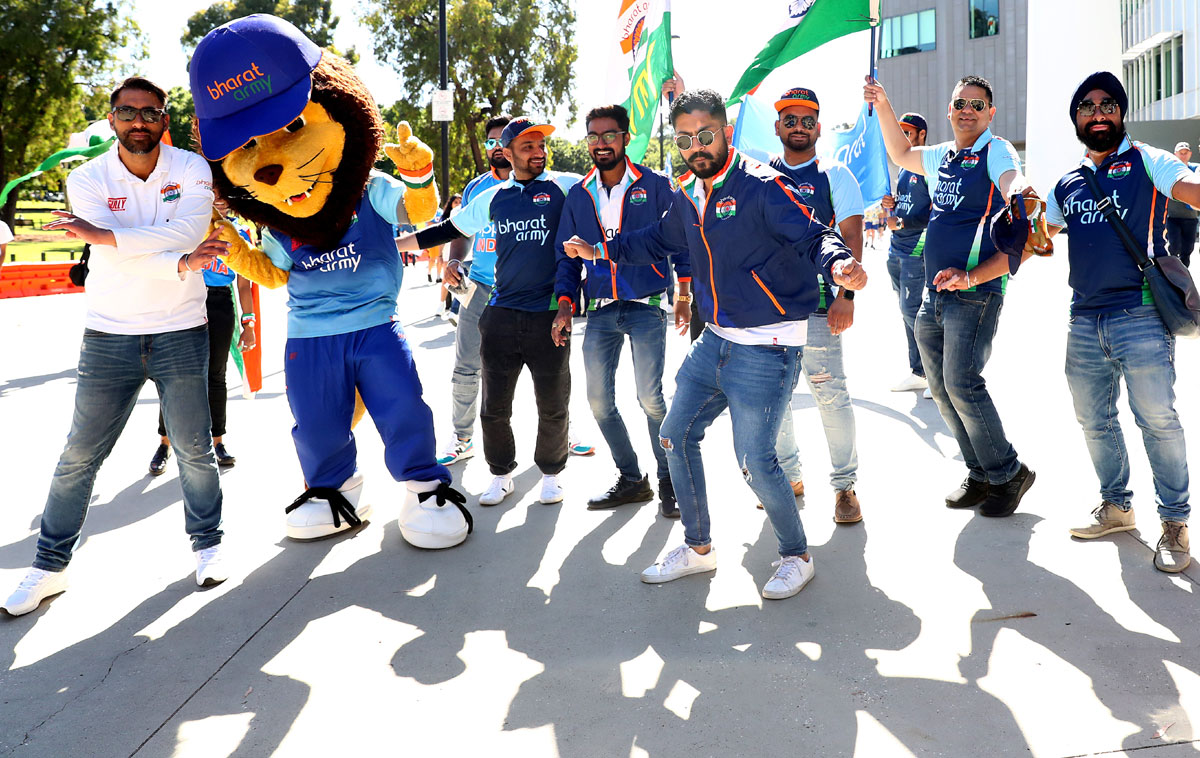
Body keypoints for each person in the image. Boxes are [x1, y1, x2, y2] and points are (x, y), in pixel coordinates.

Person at [563, 89, 867, 600]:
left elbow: (816, 235)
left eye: (705, 135)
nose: (695, 147)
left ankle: (797, 556)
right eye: (684, 139)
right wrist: (602, 250)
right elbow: (656, 241)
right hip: (715, 341)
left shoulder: (764, 185)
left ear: (726, 132)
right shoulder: (687, 192)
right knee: (674, 435)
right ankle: (699, 550)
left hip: (768, 345)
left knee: (755, 460)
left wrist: (839, 266)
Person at [2, 77, 228, 617]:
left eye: (150, 113)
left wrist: (105, 236)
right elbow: (149, 252)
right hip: (110, 332)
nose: (139, 122)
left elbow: (192, 229)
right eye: (127, 112)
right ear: (112, 121)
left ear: (164, 121)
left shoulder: (193, 169)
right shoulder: (86, 177)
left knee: (195, 449)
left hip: (181, 327)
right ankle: (48, 567)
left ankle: (209, 546)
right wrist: (173, 258)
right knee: (79, 455)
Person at [1039, 72, 1199, 573]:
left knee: (1157, 421)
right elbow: (1041, 235)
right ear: (1077, 121)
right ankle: (1118, 508)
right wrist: (1021, 227)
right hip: (1083, 319)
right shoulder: (1066, 182)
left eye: (1108, 104)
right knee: (1095, 421)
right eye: (1087, 107)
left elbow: (1189, 188)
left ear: (1121, 112)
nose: (1098, 112)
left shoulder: (1148, 160)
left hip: (1141, 314)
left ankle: (1174, 523)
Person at [865, 74, 1038, 518]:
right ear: (949, 109)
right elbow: (900, 152)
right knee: (940, 389)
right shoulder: (942, 154)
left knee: (963, 384)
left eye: (977, 105)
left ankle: (1009, 471)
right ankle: (980, 473)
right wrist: (884, 103)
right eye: (960, 103)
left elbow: (1009, 178)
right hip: (934, 293)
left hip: (975, 292)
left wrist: (1018, 192)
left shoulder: (994, 148)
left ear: (990, 113)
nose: (967, 111)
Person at [398, 118, 582, 506]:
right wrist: (396, 243)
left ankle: (551, 473)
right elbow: (448, 230)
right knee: (494, 408)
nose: (538, 151)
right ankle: (501, 474)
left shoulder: (565, 187)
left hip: (549, 314)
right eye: (528, 146)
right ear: (508, 151)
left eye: (540, 145)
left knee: (553, 404)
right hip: (500, 313)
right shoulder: (493, 196)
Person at [553, 104, 691, 519]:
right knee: (598, 402)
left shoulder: (656, 185)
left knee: (650, 398)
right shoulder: (578, 194)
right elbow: (566, 257)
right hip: (598, 310)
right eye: (593, 136)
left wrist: (683, 295)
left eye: (609, 135)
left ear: (626, 137)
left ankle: (670, 480)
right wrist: (563, 305)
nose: (600, 143)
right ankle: (632, 479)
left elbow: (680, 242)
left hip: (647, 305)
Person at [766, 86, 865, 524]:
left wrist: (847, 297)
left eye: (808, 120)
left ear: (819, 128)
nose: (799, 127)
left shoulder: (835, 175)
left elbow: (852, 236)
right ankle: (789, 477)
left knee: (831, 396)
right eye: (791, 119)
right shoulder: (760, 174)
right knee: (776, 400)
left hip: (821, 308)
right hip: (767, 311)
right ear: (778, 127)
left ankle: (845, 487)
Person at [149, 197, 256, 475]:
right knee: (175, 376)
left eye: (224, 193)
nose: (218, 199)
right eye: (213, 192)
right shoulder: (189, 229)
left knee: (216, 376)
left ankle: (217, 442)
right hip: (185, 300)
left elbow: (244, 285)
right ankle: (165, 443)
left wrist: (249, 323)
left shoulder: (241, 234)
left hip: (220, 303)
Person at [436, 115, 511, 465]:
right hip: (479, 287)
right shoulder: (474, 189)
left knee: (546, 368)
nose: (497, 147)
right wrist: (454, 262)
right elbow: (461, 232)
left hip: (525, 288)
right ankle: (463, 436)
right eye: (491, 141)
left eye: (503, 140)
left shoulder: (541, 185)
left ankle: (563, 433)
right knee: (466, 365)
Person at [880, 112, 933, 394]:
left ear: (921, 135)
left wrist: (901, 222)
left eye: (907, 134)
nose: (901, 139)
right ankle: (919, 371)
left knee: (914, 310)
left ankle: (934, 372)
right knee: (905, 310)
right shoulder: (903, 168)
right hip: (896, 247)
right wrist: (893, 204)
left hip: (917, 247)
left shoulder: (928, 166)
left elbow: (937, 212)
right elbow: (908, 205)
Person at [1166, 141, 1197, 268]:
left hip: (1190, 217)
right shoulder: (1169, 169)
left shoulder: (1196, 169)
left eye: (1186, 153)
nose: (1183, 155)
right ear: (1175, 154)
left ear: (1190, 154)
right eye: (1181, 153)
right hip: (1173, 217)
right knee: (1174, 246)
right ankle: (1173, 271)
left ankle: (1184, 274)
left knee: (1188, 249)